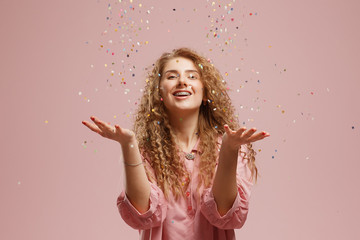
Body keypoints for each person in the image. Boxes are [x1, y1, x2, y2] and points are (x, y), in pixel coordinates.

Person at [82, 47, 270, 239]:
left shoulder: (231, 145)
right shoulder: (146, 151)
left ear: (205, 93)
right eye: (172, 77)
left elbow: (225, 215)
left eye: (192, 77)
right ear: (159, 93)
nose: (182, 82)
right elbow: (142, 215)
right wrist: (128, 144)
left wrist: (229, 150)